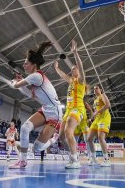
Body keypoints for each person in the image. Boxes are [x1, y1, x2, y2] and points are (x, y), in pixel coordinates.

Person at [8, 41, 62, 169]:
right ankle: (22, 161)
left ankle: (54, 139)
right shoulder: (34, 78)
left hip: (55, 114)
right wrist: (19, 80)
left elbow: (16, 86)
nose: (23, 65)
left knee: (37, 148)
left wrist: (14, 81)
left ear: (34, 64)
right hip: (45, 110)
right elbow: (30, 95)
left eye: (26, 63)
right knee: (25, 128)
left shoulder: (36, 76)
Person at [54, 40, 87, 169]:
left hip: (77, 109)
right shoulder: (71, 81)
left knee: (68, 131)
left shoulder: (81, 80)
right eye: (72, 69)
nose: (72, 70)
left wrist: (75, 53)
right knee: (62, 137)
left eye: (74, 69)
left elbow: (81, 66)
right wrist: (57, 68)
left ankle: (75, 160)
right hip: (68, 110)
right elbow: (63, 75)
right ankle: (74, 153)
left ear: (78, 71)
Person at [87, 85, 112, 167]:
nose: (95, 90)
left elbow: (108, 105)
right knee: (89, 139)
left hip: (104, 118)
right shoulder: (95, 101)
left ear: (101, 89)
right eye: (94, 89)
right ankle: (94, 158)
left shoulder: (103, 95)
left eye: (97, 88)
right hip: (97, 120)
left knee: (101, 137)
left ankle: (106, 159)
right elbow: (95, 112)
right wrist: (91, 119)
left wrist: (97, 112)